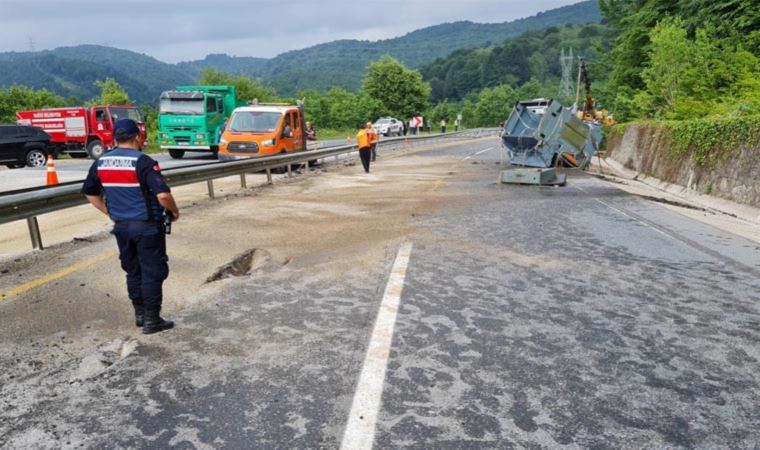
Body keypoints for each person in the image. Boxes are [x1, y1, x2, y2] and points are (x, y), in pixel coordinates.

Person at [81, 119, 180, 335]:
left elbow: (90, 193)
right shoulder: (143, 162)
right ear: (137, 137)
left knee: (133, 270)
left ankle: (141, 315)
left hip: (122, 227)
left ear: (115, 138)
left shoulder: (101, 162)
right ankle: (153, 320)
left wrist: (110, 213)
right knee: (152, 271)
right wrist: (174, 212)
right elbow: (162, 195)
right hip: (146, 227)